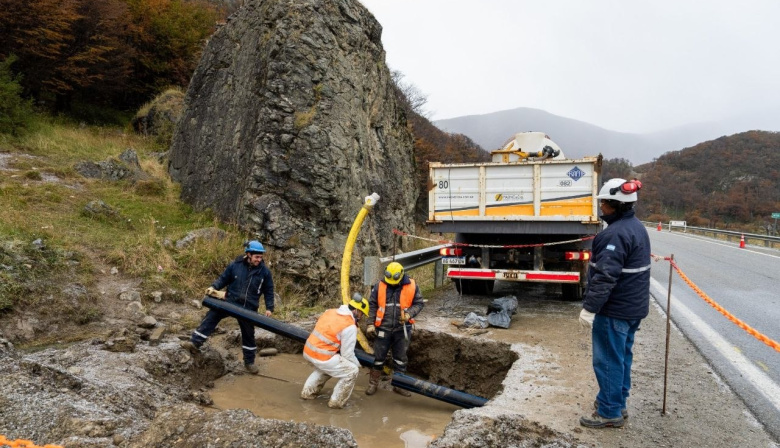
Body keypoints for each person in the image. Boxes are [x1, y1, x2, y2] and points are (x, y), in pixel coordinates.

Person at [578, 178, 651, 429]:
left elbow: (605, 276)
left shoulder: (615, 234)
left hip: (615, 310)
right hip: (632, 309)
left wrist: (590, 308)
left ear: (614, 204)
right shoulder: (635, 227)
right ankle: (616, 403)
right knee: (621, 357)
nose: (601, 208)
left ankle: (609, 412)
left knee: (607, 359)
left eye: (604, 204)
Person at [181, 240, 274, 374]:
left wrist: (269, 308)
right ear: (248, 254)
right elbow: (223, 279)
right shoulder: (235, 265)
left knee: (248, 334)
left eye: (260, 257)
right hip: (230, 302)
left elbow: (269, 290)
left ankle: (249, 362)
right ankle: (195, 343)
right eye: (256, 257)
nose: (259, 259)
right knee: (211, 316)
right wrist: (213, 287)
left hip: (249, 308)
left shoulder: (264, 272)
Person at [365, 261, 424, 396]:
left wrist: (409, 314)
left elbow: (419, 303)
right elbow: (372, 304)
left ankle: (399, 385)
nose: (391, 283)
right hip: (383, 328)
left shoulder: (412, 285)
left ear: (401, 275)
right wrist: (370, 324)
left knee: (400, 359)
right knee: (378, 357)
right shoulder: (380, 285)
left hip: (402, 328)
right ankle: (373, 384)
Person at [300, 296, 370, 409]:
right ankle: (336, 403)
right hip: (323, 355)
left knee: (329, 366)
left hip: (309, 350)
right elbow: (347, 354)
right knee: (351, 371)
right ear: (357, 311)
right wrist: (358, 364)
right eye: (362, 314)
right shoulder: (349, 326)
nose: (361, 318)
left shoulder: (330, 312)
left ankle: (307, 393)